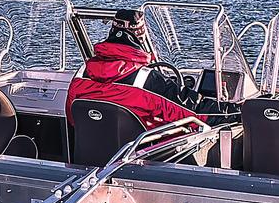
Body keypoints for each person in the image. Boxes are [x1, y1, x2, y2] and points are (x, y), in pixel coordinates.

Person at [65, 8, 198, 130]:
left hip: (89, 152)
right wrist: (217, 111)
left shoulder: (82, 73)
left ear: (112, 31)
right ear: (141, 37)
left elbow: (72, 117)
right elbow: (191, 112)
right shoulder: (146, 80)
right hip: (142, 153)